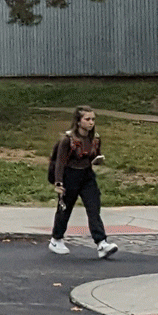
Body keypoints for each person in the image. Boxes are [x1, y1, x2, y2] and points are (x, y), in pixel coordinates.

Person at [49, 105, 118, 258]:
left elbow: (94, 155)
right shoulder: (67, 140)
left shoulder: (95, 138)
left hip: (87, 175)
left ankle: (101, 242)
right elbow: (60, 162)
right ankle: (56, 239)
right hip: (70, 176)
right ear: (78, 121)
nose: (91, 122)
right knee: (65, 209)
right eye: (87, 119)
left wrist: (97, 159)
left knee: (93, 208)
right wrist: (58, 183)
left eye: (93, 119)